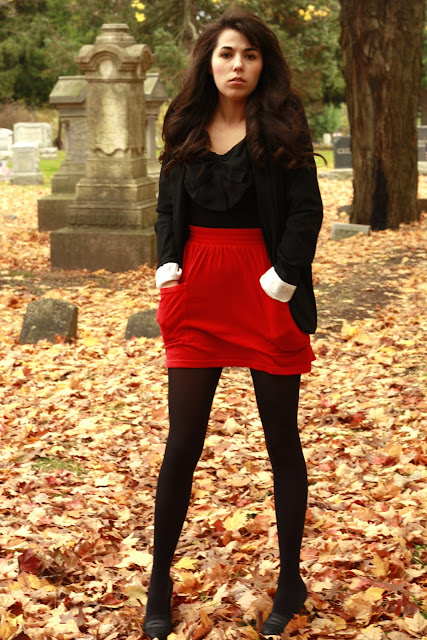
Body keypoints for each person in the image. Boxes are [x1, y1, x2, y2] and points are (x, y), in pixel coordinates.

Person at [144, 7, 323, 640]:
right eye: (226, 53)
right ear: (209, 61)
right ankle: (159, 581)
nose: (237, 65)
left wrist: (283, 278)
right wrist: (168, 263)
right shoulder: (185, 122)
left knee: (281, 442)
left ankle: (291, 580)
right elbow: (166, 207)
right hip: (197, 292)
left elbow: (306, 210)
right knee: (182, 443)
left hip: (264, 291)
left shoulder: (282, 124)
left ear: (263, 63)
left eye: (249, 54)